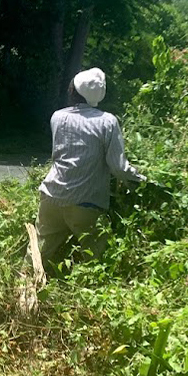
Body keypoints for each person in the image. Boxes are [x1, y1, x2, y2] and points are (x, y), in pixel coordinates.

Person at [37, 68, 145, 274]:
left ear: (72, 91)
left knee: (39, 255)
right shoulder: (107, 122)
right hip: (85, 203)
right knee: (97, 262)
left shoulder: (57, 117)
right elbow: (118, 167)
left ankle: (22, 292)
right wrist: (142, 180)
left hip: (51, 196)